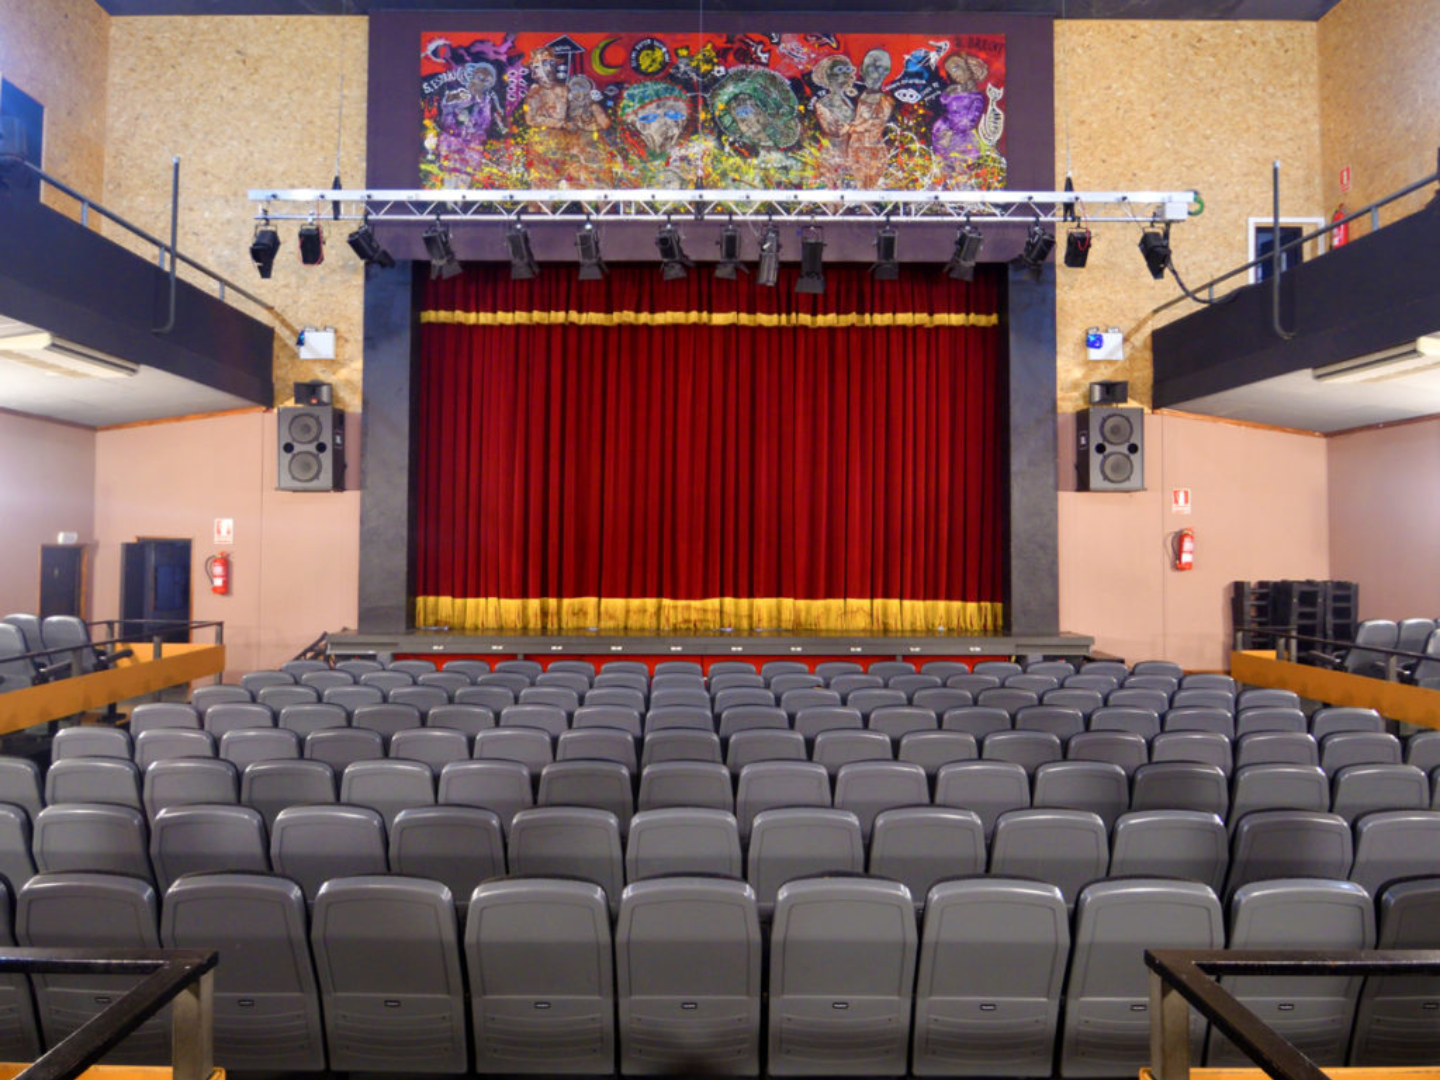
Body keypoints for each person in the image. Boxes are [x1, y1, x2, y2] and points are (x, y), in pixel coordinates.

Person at [846, 48, 893, 189]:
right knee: (858, 183)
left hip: (873, 150)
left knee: (870, 185)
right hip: (855, 149)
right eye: (871, 67)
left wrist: (854, 128)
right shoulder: (857, 97)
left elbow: (877, 122)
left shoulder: (885, 100)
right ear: (862, 70)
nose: (876, 74)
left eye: (881, 68)